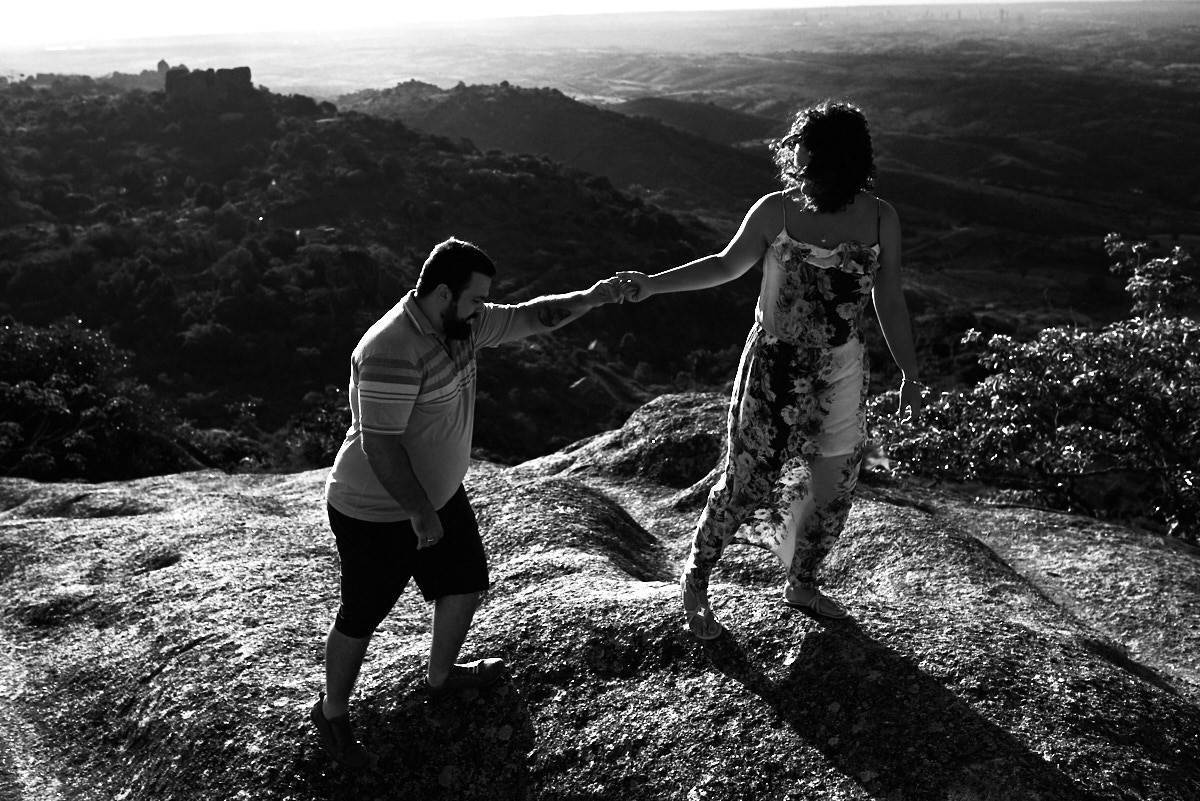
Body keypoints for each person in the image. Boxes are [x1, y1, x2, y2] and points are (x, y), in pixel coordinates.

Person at [312, 237, 624, 769]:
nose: (485, 309)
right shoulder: (391, 348)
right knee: (362, 614)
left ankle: (441, 675)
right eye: (477, 298)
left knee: (464, 583)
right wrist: (419, 512)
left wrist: (593, 297)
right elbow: (379, 445)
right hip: (377, 508)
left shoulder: (460, 324)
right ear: (440, 293)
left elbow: (531, 318)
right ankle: (333, 712)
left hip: (437, 496)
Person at [617, 100, 921, 639]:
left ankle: (801, 582)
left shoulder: (881, 218)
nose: (801, 169)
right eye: (799, 157)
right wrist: (654, 284)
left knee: (834, 486)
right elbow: (725, 264)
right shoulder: (775, 211)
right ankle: (696, 578)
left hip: (843, 371)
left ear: (842, 162)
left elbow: (889, 300)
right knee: (747, 482)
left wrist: (910, 374)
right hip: (772, 368)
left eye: (812, 160)